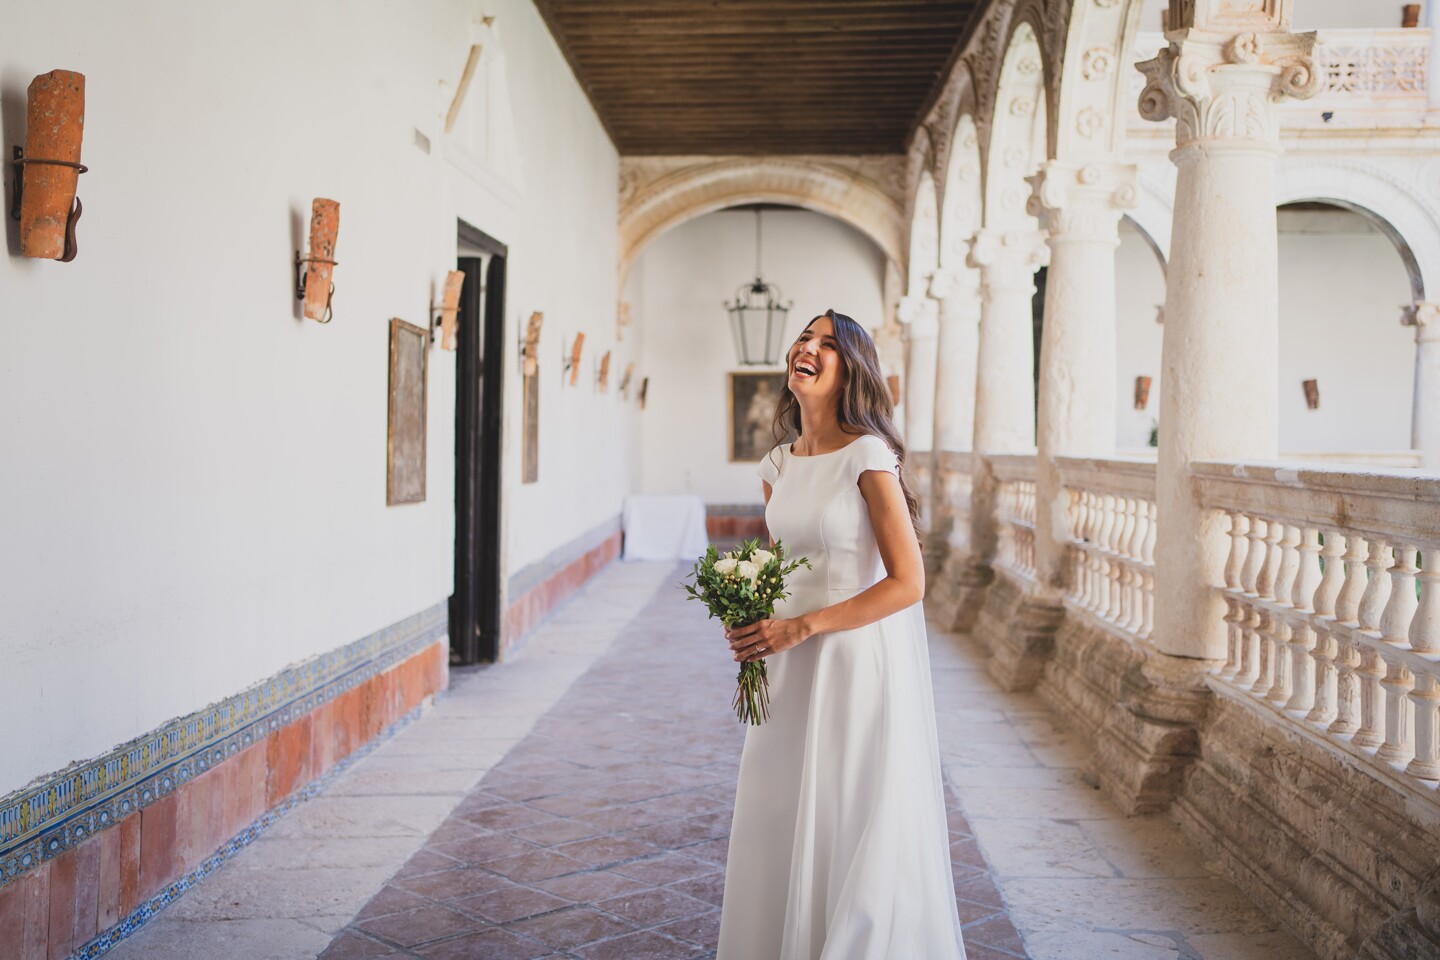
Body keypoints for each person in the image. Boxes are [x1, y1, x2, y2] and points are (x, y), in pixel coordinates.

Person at [716, 309, 965, 959]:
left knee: (846, 811)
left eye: (828, 343)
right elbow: (784, 564)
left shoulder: (868, 455)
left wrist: (806, 625)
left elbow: (908, 582)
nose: (809, 347)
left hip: (852, 658)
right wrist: (748, 614)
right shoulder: (776, 464)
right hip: (786, 663)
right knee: (780, 806)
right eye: (805, 337)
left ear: (851, 370)